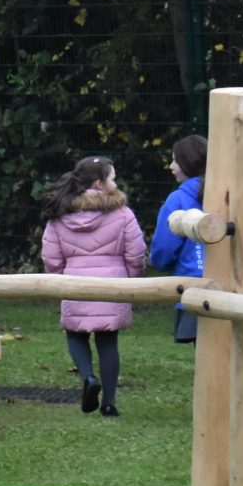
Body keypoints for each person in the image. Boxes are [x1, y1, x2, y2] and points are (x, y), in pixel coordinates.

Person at [39, 157, 148, 416]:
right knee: (108, 342)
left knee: (75, 335)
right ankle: (109, 403)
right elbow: (136, 253)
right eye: (112, 178)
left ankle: (88, 377)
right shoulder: (122, 213)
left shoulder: (60, 214)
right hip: (112, 286)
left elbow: (51, 259)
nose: (116, 183)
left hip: (74, 283)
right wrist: (131, 280)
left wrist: (60, 278)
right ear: (100, 183)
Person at [150, 133, 211, 343]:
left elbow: (165, 247)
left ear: (188, 162)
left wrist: (160, 263)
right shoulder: (228, 193)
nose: (171, 166)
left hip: (192, 283)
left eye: (175, 160)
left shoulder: (177, 199)